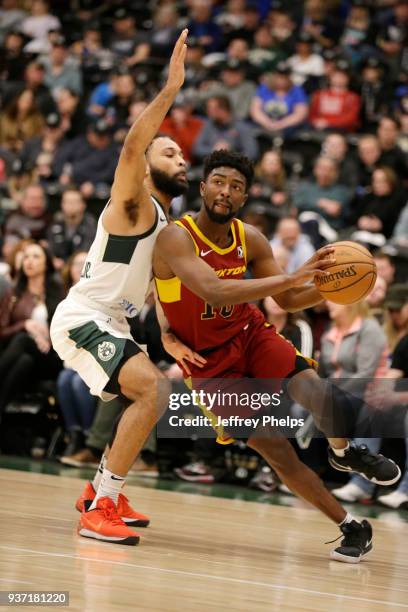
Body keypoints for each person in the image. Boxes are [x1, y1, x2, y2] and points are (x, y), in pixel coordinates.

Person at [153, 149, 401, 562]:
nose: (225, 192)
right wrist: (290, 275)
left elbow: (286, 299)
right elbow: (211, 289)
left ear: (245, 197)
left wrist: (331, 285)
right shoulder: (175, 238)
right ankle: (350, 526)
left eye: (236, 187)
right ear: (202, 187)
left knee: (318, 392)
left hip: (248, 332)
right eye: (219, 182)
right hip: (208, 362)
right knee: (277, 450)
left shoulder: (250, 238)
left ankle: (344, 452)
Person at [50, 30, 201, 546]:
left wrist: (169, 335)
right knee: (153, 390)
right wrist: (171, 87)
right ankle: (102, 506)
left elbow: (157, 286)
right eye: (170, 152)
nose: (181, 159)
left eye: (182, 154)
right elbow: (134, 144)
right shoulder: (132, 203)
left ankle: (98, 493)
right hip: (84, 316)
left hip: (112, 320)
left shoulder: (163, 224)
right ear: (148, 164)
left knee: (148, 392)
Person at [0, 242, 63, 419]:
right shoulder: (14, 294)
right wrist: (25, 325)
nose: (29, 261)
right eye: (26, 256)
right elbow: (2, 332)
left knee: (22, 340)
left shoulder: (57, 293)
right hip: (25, 358)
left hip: (51, 356)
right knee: (24, 360)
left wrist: (48, 338)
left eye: (36, 256)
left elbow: (68, 329)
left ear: (46, 263)